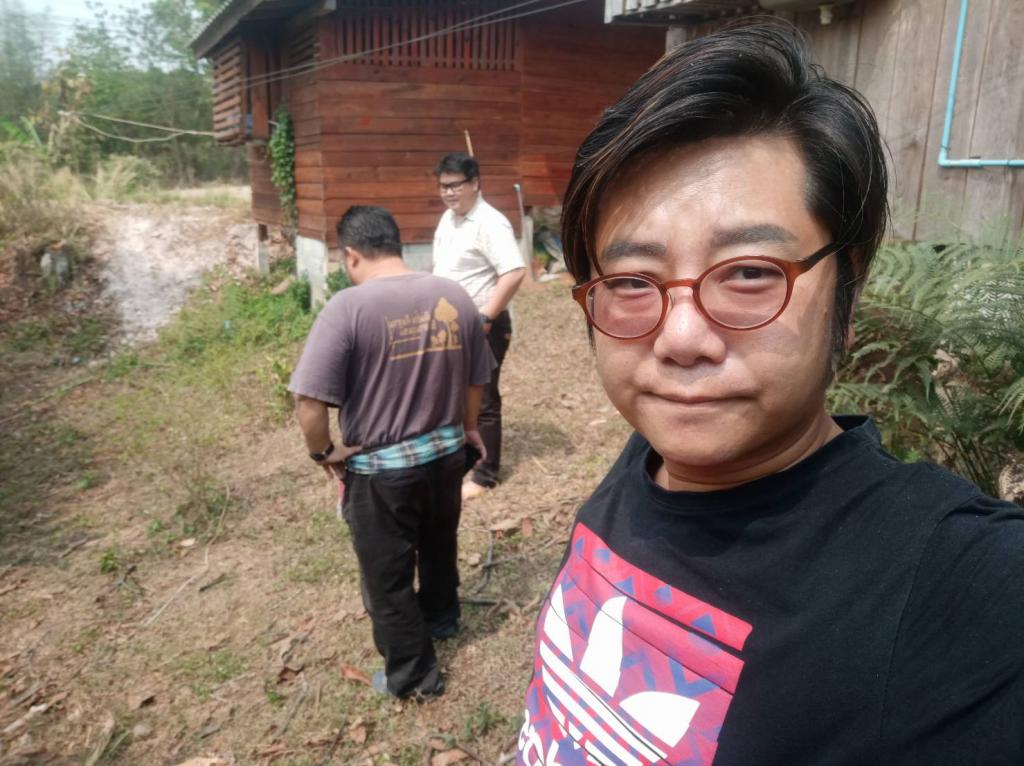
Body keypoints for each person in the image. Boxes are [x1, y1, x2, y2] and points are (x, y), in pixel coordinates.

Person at [516, 22, 1024, 766]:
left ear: (847, 286)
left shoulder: (952, 579)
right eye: (630, 281)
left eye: (750, 272)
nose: (680, 338)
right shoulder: (646, 459)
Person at [289, 206, 492, 700]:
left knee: (387, 577)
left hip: (383, 472)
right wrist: (469, 429)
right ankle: (441, 618)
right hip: (446, 455)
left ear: (351, 255)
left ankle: (415, 677)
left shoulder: (347, 308)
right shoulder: (453, 294)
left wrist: (323, 453)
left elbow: (308, 402)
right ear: (397, 244)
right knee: (439, 543)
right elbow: (475, 379)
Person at [432, 152, 526, 499]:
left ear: (474, 183)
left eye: (456, 185)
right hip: (450, 323)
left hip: (482, 325)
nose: (449, 192)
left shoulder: (489, 222)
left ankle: (486, 475)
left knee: (483, 398)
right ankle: (463, 458)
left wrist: (486, 317)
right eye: (444, 186)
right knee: (456, 395)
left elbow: (514, 271)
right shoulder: (449, 219)